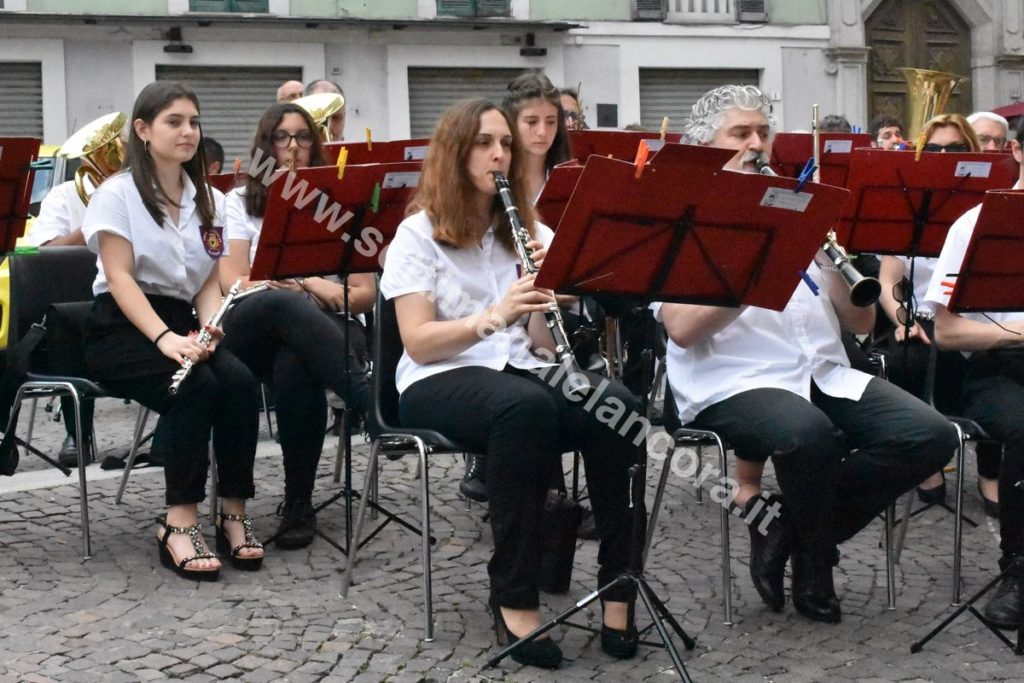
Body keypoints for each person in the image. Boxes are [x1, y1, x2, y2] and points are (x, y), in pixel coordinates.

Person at [661, 84, 956, 623]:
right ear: (708, 148)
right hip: (732, 380)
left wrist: (830, 259)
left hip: (821, 370)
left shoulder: (797, 205)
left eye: (763, 132)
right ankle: (815, 567)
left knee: (931, 435)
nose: (757, 144)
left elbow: (861, 323)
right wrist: (762, 263)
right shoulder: (684, 217)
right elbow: (681, 330)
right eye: (741, 134)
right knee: (808, 432)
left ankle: (787, 533)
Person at [381, 98, 641, 667]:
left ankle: (620, 589)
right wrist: (492, 316)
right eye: (483, 143)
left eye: (504, 143)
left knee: (617, 404)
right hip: (436, 378)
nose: (499, 154)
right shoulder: (416, 236)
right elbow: (418, 341)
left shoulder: (524, 227)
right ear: (454, 154)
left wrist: (555, 293)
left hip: (519, 373)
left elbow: (542, 347)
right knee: (523, 409)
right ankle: (514, 597)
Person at [81, 81, 264, 580]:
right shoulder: (115, 194)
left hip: (182, 319)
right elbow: (118, 277)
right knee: (196, 387)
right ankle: (178, 522)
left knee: (242, 384)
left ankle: (233, 513)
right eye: (174, 122)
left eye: (194, 122)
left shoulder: (207, 196)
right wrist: (167, 340)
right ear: (142, 130)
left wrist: (208, 327)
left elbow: (208, 280)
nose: (188, 131)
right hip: (122, 325)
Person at [220, 102, 373, 549]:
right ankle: (367, 399)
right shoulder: (240, 201)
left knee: (296, 362)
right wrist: (287, 288)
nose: (292, 147)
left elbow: (362, 294)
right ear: (265, 146)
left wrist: (306, 284)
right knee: (282, 309)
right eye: (281, 137)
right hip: (257, 322)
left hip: (333, 328)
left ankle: (298, 502)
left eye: (302, 137)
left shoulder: (343, 203)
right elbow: (233, 279)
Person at [926, 124, 1024, 627]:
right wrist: (1012, 333)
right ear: (1016, 150)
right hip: (997, 368)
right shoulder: (975, 223)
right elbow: (945, 331)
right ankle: (1018, 568)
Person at [874, 113, 993, 508]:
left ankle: (991, 468)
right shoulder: (912, 205)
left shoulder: (990, 205)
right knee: (908, 355)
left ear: (972, 154)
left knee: (1000, 365)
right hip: (925, 320)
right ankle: (926, 458)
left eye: (956, 149)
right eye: (936, 149)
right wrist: (902, 320)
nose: (945, 156)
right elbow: (890, 280)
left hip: (981, 322)